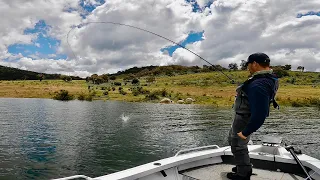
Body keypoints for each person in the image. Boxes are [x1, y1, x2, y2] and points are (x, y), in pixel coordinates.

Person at [227, 53, 279, 180]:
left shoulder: (258, 84)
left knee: (238, 145)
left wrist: (245, 132)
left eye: (249, 65)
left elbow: (261, 114)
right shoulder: (270, 78)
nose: (248, 68)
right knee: (235, 142)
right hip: (243, 117)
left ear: (255, 64)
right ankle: (243, 165)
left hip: (244, 118)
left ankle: (243, 173)